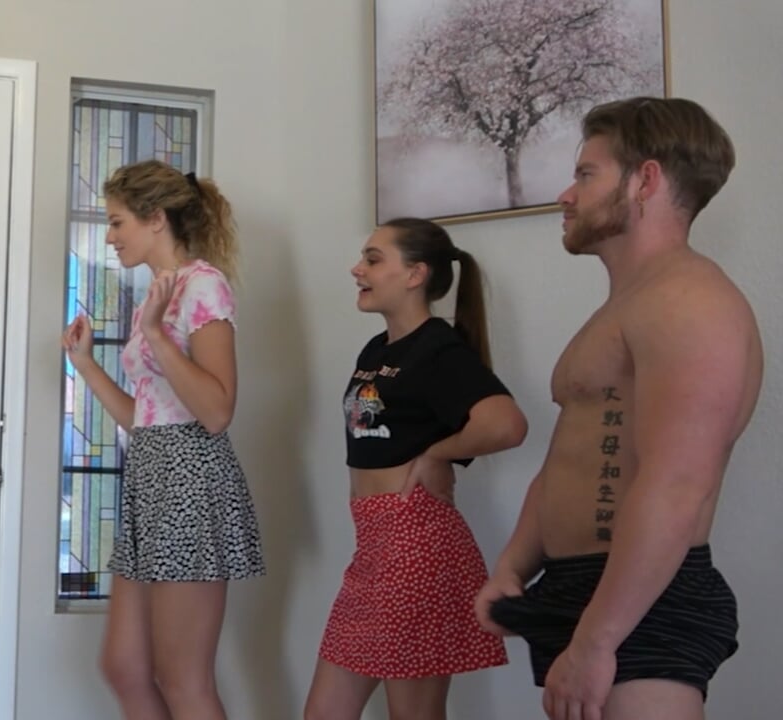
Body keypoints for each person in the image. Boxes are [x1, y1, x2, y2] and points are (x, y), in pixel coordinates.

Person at [476, 97, 763, 720]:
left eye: (586, 174)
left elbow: (677, 485)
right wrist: (513, 566)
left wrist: (597, 639)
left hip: (641, 598)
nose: (566, 195)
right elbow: (570, 459)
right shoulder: (630, 304)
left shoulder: (690, 302)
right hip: (588, 588)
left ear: (645, 181)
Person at [62, 159, 265, 720]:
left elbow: (217, 412)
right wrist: (85, 365)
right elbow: (147, 418)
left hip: (190, 485)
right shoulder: (157, 294)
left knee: (182, 679)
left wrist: (155, 334)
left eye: (117, 221)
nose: (110, 237)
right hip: (151, 477)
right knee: (125, 667)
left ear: (155, 219)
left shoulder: (204, 286)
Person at [304, 217, 529, 720]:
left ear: (415, 274)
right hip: (374, 545)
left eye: (373, 259)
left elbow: (506, 423)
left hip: (415, 544)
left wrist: (436, 454)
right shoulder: (377, 349)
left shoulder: (438, 347)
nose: (357, 269)